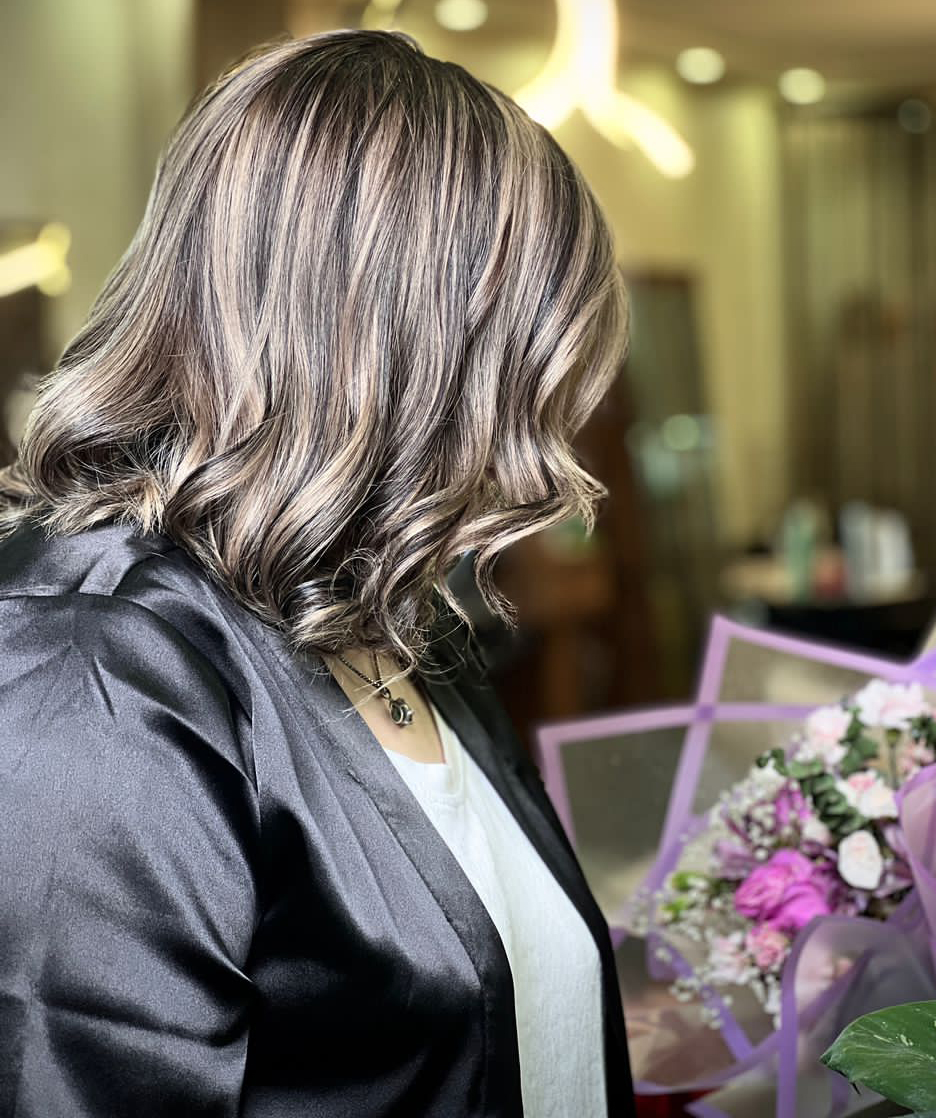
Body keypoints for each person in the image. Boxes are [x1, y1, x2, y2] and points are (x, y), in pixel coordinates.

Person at [0, 29, 634, 1118]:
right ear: (411, 353)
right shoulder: (93, 670)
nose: (551, 426)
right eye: (528, 371)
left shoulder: (400, 620)